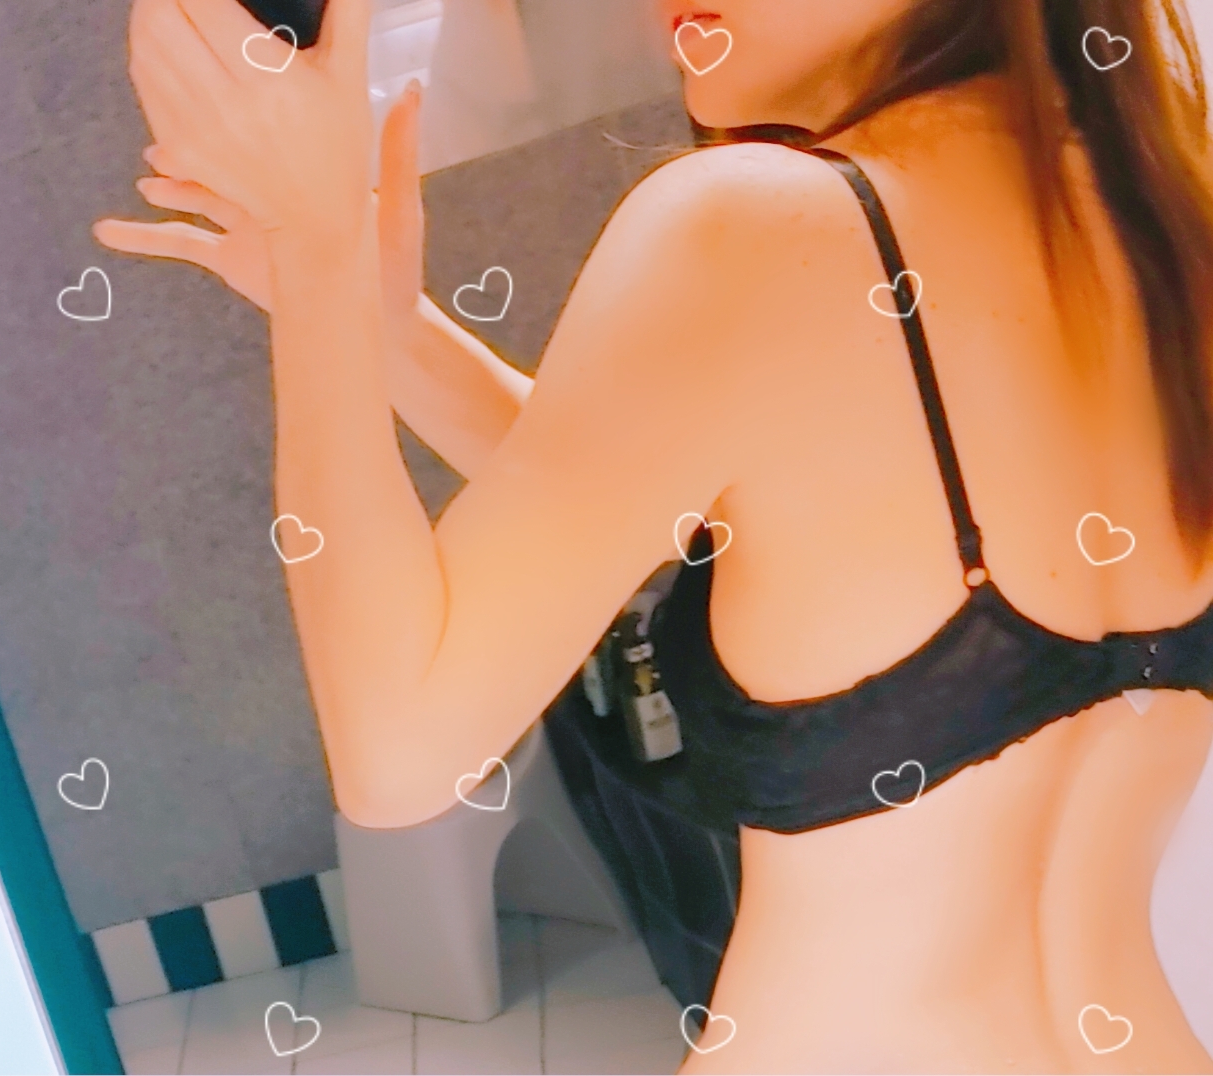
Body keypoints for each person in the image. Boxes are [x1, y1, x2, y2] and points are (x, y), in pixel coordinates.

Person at [94, 0, 1213, 1069]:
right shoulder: (1166, 227)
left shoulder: (751, 223)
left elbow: (398, 755)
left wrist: (320, 260)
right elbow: (728, 512)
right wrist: (386, 329)